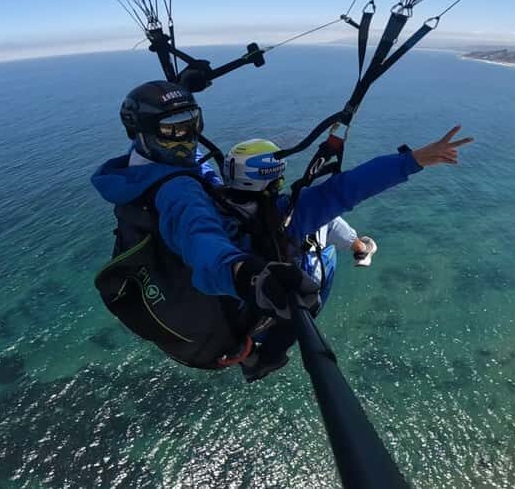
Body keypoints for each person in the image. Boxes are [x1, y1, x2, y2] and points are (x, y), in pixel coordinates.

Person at [92, 80, 473, 381]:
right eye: (174, 130)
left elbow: (193, 173)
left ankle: (259, 354)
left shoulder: (146, 171)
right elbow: (201, 241)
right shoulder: (192, 196)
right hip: (231, 291)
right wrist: (245, 275)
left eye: (193, 124)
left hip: (189, 287)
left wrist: (175, 91)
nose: (188, 138)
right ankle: (262, 360)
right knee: (300, 300)